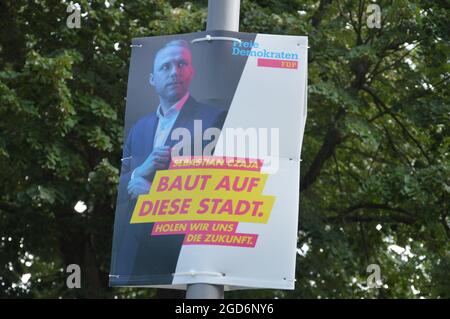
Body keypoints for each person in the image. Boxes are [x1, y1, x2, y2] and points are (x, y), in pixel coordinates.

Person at [110, 40, 227, 285]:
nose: (174, 71)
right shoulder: (139, 128)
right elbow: (118, 189)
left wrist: (153, 196)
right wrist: (139, 172)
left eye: (181, 64)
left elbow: (218, 188)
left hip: (182, 253)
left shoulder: (214, 118)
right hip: (133, 254)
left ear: (191, 72)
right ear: (152, 79)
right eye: (166, 67)